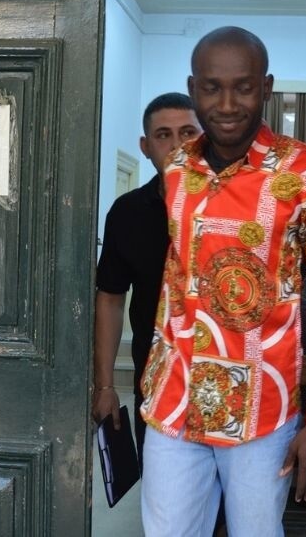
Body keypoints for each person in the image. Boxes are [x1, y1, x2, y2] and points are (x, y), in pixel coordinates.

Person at [139, 26, 306, 537]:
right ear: (193, 89)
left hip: (264, 408)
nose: (227, 104)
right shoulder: (176, 169)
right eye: (212, 88)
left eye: (243, 87)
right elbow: (177, 280)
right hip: (175, 398)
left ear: (266, 87)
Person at [92, 92, 202, 472]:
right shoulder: (127, 213)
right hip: (155, 381)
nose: (177, 145)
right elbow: (110, 298)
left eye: (188, 133)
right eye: (163, 135)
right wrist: (105, 386)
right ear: (146, 146)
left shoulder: (238, 207)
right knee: (162, 491)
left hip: (227, 379)